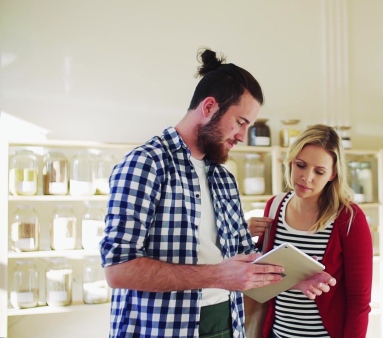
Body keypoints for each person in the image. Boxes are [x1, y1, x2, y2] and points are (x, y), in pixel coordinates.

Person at [99, 49, 331, 338]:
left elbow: (244, 259)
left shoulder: (223, 177)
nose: (242, 136)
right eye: (240, 122)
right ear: (209, 107)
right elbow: (118, 270)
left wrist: (290, 278)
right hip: (161, 329)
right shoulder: (145, 164)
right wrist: (219, 275)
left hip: (226, 324)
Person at [248, 124, 373, 338]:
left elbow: (359, 301)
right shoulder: (275, 205)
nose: (307, 177)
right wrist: (244, 233)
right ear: (291, 161)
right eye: (301, 165)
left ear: (333, 174)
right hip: (277, 333)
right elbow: (261, 273)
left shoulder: (348, 218)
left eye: (319, 171)